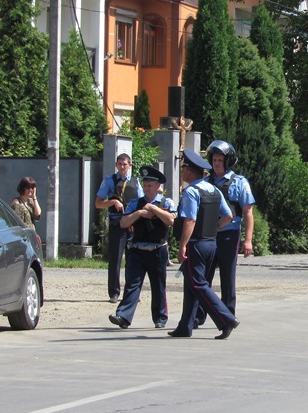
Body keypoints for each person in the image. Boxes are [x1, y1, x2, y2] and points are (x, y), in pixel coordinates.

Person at [168, 150, 241, 340]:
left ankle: (226, 318)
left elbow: (190, 220)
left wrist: (182, 245)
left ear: (191, 172)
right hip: (211, 243)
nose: (182, 171)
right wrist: (214, 228)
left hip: (196, 243)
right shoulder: (213, 189)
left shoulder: (191, 191)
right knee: (192, 284)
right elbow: (229, 216)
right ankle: (186, 325)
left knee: (198, 283)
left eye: (183, 168)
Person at [108, 166, 176, 329]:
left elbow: (171, 220)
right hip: (138, 250)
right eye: (145, 185)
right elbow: (124, 222)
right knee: (132, 284)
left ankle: (160, 318)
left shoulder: (165, 202)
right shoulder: (136, 203)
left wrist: (153, 209)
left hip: (157, 250)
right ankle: (123, 316)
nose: (147, 188)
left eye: (150, 185)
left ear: (158, 186)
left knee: (158, 285)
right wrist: (139, 213)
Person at [205, 140, 256, 315]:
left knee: (227, 278)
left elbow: (248, 212)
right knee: (204, 277)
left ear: (228, 162)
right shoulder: (206, 182)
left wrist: (247, 240)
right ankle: (199, 315)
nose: (217, 164)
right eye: (214, 160)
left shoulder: (240, 182)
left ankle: (227, 315)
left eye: (220, 160)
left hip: (229, 235)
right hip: (208, 235)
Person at [95, 153, 140, 303]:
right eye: (120, 164)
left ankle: (131, 293)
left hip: (132, 225)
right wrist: (113, 202)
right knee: (115, 259)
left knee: (133, 260)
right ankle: (114, 292)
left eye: (125, 164)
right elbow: (98, 203)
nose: (122, 167)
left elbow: (141, 201)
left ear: (130, 166)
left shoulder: (135, 182)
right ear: (116, 165)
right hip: (117, 224)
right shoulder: (109, 181)